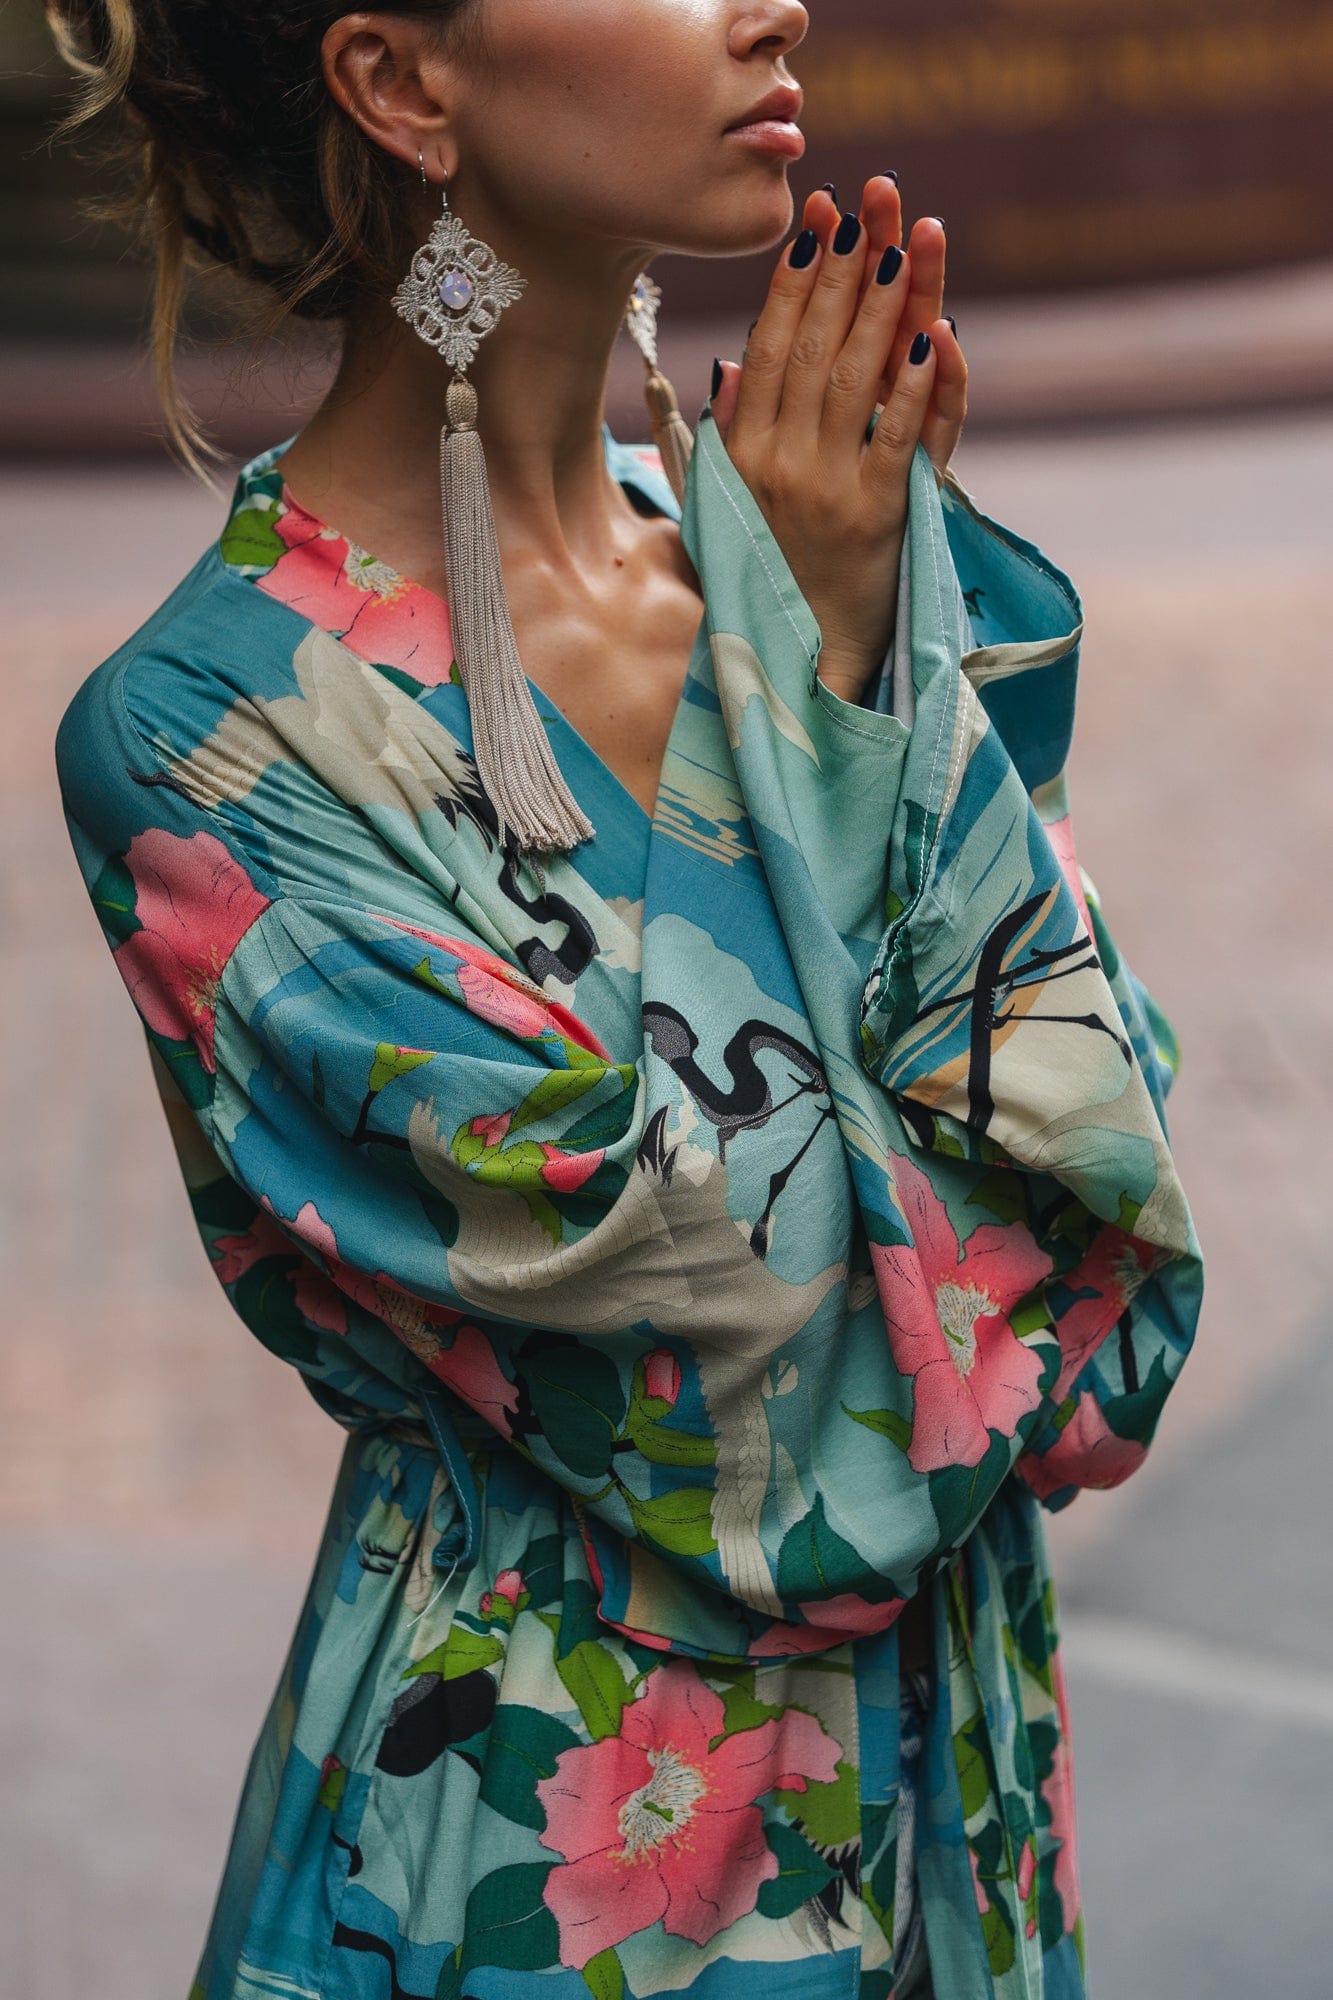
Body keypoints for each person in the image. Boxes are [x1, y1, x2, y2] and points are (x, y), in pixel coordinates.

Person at [47, 3, 1203, 1997]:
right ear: (401, 82)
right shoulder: (212, 745)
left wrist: (846, 643)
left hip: (956, 1844)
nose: (769, 7)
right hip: (533, 1864)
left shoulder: (777, 553)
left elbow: (1098, 1300)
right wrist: (830, 698)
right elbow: (759, 1395)